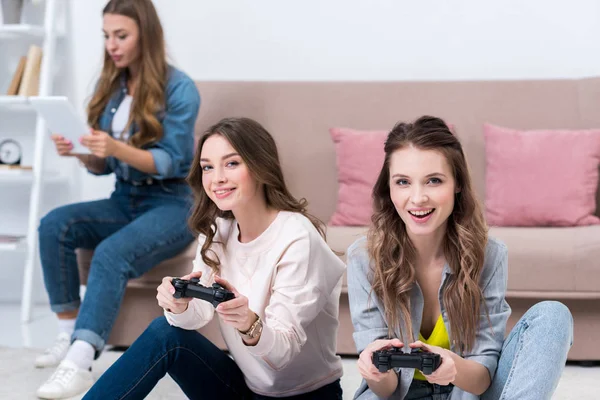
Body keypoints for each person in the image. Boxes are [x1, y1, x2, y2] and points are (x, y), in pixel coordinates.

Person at [82, 117, 346, 399]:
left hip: (306, 396)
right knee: (164, 332)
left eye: (232, 163)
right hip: (246, 389)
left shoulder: (297, 237)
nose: (217, 178)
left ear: (260, 167)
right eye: (208, 167)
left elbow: (281, 354)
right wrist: (179, 305)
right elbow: (197, 317)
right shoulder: (219, 230)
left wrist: (248, 323)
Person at [35, 0, 200, 398]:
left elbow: (171, 160)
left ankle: (81, 359)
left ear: (146, 34)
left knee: (111, 252)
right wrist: (83, 152)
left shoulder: (179, 88)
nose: (112, 44)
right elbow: (104, 166)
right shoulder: (112, 88)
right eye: (107, 35)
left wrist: (114, 146)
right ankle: (68, 332)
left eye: (121, 35)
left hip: (172, 203)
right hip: (124, 198)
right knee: (54, 224)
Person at [347, 116, 573, 400]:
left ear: (457, 184)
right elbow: (386, 390)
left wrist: (453, 369)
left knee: (553, 316)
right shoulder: (364, 258)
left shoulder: (489, 255)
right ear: (388, 188)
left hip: (467, 392)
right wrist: (375, 371)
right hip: (400, 396)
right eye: (403, 182)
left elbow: (482, 377)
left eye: (434, 181)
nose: (417, 198)